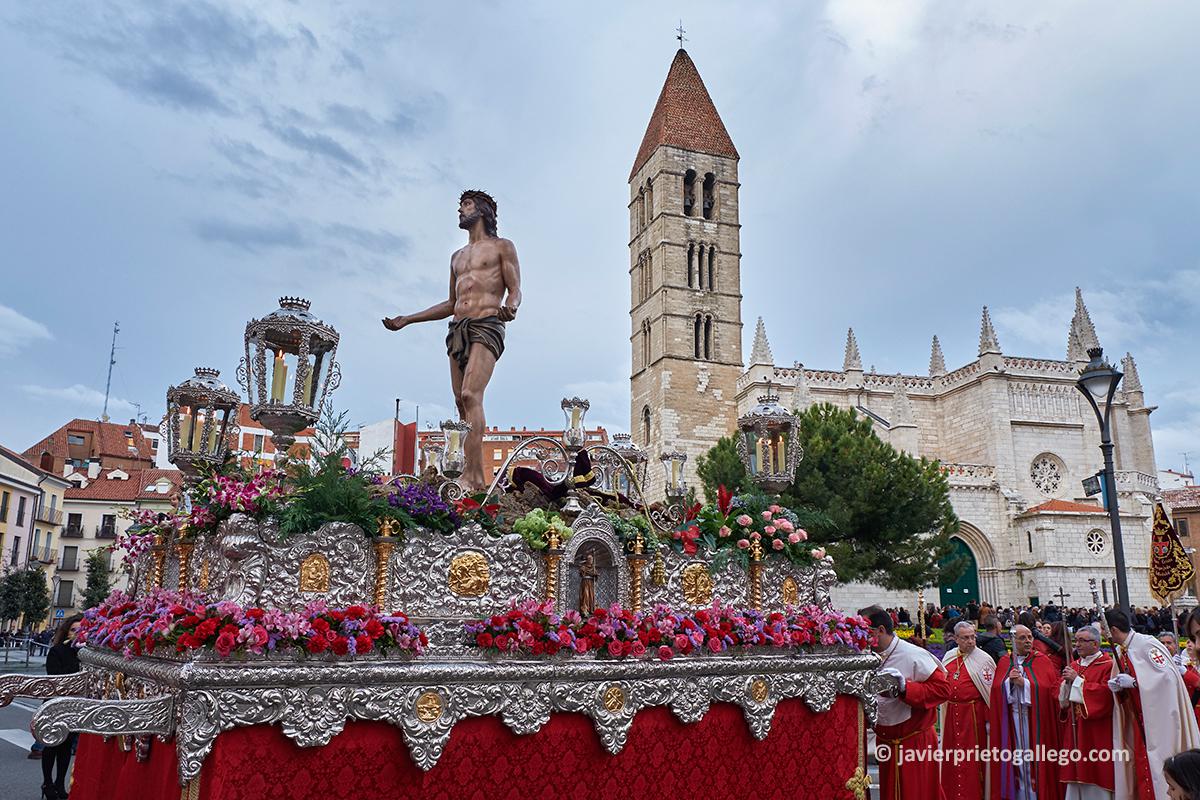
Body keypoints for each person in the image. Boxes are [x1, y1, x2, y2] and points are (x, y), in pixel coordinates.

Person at [382, 190, 522, 491]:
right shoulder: (456, 257)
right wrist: (408, 319)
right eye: (460, 205)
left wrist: (512, 306)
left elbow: (514, 289)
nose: (460, 210)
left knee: (472, 394)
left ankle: (475, 477)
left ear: (482, 211)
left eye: (466, 205)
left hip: (488, 324)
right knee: (460, 402)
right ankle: (465, 472)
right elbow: (450, 303)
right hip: (457, 328)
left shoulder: (502, 247)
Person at [1106, 608, 1200, 799]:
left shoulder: (1147, 645)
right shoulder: (1121, 650)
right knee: (1141, 767)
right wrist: (1118, 689)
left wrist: (1134, 683)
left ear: (1113, 630)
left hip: (1159, 722)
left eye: (1103, 630)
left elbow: (1167, 680)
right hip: (1139, 721)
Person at [859, 604, 950, 799]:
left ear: (880, 630)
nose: (861, 638)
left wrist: (905, 688)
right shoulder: (867, 655)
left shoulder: (913, 654)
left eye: (865, 632)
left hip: (914, 742)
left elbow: (943, 690)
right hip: (887, 742)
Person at [989, 624, 1063, 800]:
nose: (1028, 641)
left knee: (1034, 759)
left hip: (1035, 720)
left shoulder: (1042, 660)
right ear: (1013, 641)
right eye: (1022, 638)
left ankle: (1037, 793)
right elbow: (996, 689)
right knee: (1017, 758)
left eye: (1030, 637)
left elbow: (1050, 689)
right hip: (1013, 718)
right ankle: (1020, 793)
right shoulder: (1005, 662)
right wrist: (1009, 683)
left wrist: (1026, 684)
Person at [1058, 625, 1116, 799]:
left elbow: (1105, 694)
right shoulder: (1074, 665)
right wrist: (1066, 685)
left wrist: (1077, 681)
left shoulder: (1108, 665)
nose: (1078, 644)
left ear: (1096, 644)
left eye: (1082, 640)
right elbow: (1063, 701)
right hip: (1075, 728)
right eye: (1076, 640)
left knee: (1096, 769)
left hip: (1097, 731)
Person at [940, 621, 994, 800]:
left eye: (973, 637)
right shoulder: (948, 656)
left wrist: (989, 723)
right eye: (965, 638)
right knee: (952, 759)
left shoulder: (984, 659)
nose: (971, 641)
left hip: (973, 718)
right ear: (956, 639)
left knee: (972, 761)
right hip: (951, 717)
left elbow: (990, 695)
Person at [41, 615, 82, 799]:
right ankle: (47, 783)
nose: (77, 634)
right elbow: (55, 677)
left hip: (73, 706)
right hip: (55, 704)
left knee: (66, 748)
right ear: (67, 632)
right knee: (51, 747)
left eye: (81, 630)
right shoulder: (57, 651)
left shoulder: (84, 653)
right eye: (74, 630)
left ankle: (60, 783)